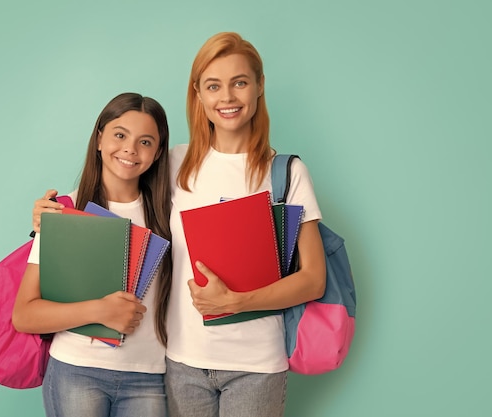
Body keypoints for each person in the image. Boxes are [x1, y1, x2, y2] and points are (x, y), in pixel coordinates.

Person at [31, 32, 326, 417]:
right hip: (181, 363)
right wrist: (45, 215)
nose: (228, 97)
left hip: (257, 364)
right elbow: (106, 203)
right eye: (213, 85)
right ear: (198, 94)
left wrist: (238, 302)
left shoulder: (286, 172)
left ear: (259, 87)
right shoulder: (173, 163)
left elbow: (313, 279)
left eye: (240, 82)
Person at [12, 92, 172, 417]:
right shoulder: (66, 212)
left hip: (150, 376)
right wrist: (100, 310)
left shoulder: (170, 215)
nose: (129, 148)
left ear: (158, 153)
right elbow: (25, 315)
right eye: (119, 135)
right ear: (99, 139)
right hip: (76, 371)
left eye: (145, 141)